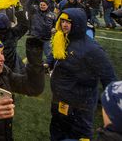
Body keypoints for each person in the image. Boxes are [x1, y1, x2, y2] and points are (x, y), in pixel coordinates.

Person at [48, 8, 117, 140]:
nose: (64, 24)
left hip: (80, 105)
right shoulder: (62, 38)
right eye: (62, 21)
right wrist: (48, 63)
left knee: (80, 135)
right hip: (60, 99)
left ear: (78, 23)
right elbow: (56, 53)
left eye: (69, 22)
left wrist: (113, 107)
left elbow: (109, 77)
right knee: (57, 131)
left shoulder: (92, 49)